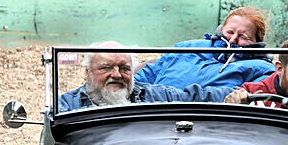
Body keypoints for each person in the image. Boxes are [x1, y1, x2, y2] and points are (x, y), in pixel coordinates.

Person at [58, 42, 230, 111]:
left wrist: (243, 94)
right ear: (87, 73)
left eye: (124, 68)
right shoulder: (66, 106)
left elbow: (194, 97)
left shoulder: (154, 96)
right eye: (106, 68)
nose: (116, 75)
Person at [133, 6, 275, 89]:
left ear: (257, 42)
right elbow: (150, 73)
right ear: (221, 29)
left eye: (243, 37)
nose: (232, 39)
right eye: (230, 32)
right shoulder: (187, 47)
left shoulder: (261, 69)